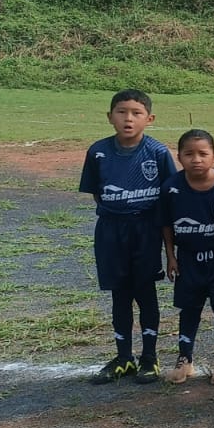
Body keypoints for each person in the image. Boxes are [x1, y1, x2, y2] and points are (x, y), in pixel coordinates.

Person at [82, 89, 176, 385]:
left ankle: (149, 357)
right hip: (111, 230)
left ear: (150, 118)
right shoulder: (98, 152)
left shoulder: (157, 152)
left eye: (136, 113)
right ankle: (123, 357)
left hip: (146, 229)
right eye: (121, 112)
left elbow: (169, 195)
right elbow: (97, 192)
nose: (128, 119)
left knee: (145, 292)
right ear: (109, 117)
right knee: (120, 293)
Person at [160, 129, 214, 385]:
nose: (196, 159)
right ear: (179, 157)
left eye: (203, 154)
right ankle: (185, 358)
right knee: (189, 308)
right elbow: (166, 225)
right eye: (189, 154)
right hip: (188, 259)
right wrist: (171, 256)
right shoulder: (171, 187)